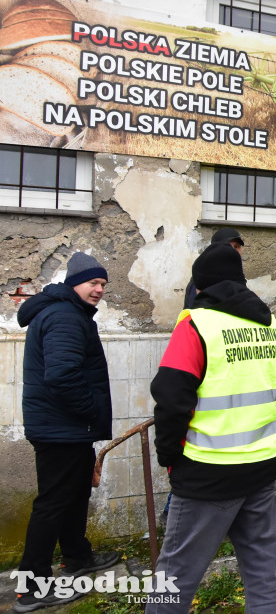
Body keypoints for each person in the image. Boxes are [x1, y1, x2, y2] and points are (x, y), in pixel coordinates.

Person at [150, 243, 276, 613]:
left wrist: (170, 457)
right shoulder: (275, 330)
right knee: (261, 574)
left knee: (174, 579)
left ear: (199, 287)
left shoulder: (196, 326)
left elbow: (172, 400)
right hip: (261, 469)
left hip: (206, 473)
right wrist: (262, 431)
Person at [14, 252, 118, 612]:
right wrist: (91, 410)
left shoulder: (69, 313)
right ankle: (32, 588)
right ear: (74, 283)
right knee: (54, 503)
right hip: (61, 427)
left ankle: (77, 556)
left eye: (103, 284)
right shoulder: (64, 317)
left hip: (66, 426)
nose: (99, 289)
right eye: (93, 282)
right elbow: (62, 375)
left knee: (73, 496)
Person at [182, 228, 245, 309]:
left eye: (237, 247)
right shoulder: (202, 280)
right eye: (227, 246)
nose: (233, 251)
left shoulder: (238, 277)